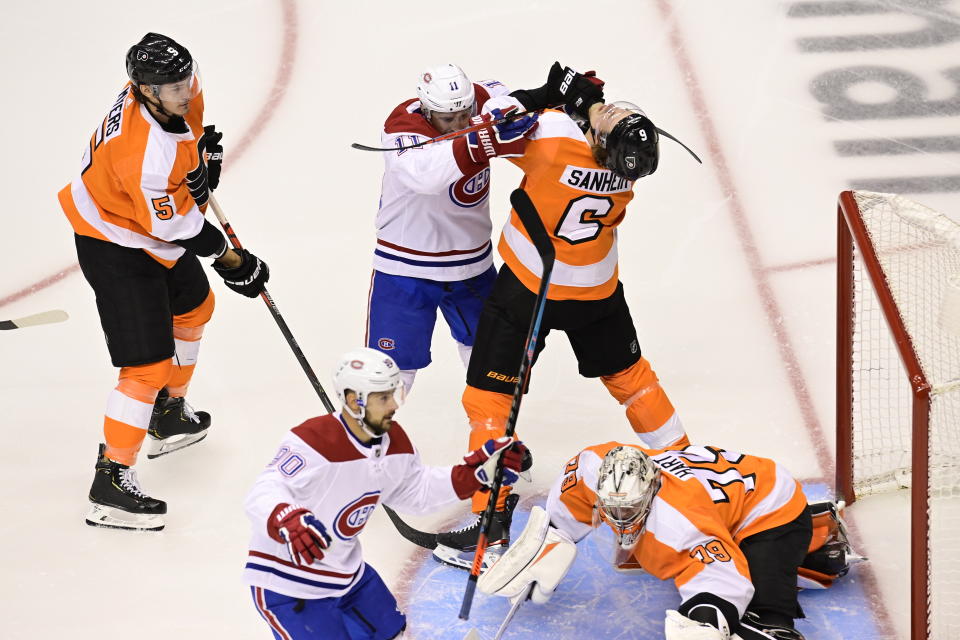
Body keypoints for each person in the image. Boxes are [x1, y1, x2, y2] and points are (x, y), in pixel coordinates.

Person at [433, 71, 693, 566]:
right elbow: (598, 135)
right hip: (596, 289)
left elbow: (484, 128)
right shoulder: (626, 166)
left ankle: (489, 527)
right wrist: (588, 103)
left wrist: (545, 96)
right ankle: (690, 469)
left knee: (490, 400)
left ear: (597, 140)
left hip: (531, 287)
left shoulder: (553, 136)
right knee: (632, 381)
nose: (618, 111)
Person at [60, 33, 270, 531]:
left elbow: (184, 148)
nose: (185, 90)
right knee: (145, 367)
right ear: (145, 90)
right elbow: (173, 225)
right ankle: (111, 482)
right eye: (171, 86)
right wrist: (231, 259)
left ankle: (168, 413)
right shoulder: (145, 155)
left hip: (147, 227)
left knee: (196, 309)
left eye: (186, 79)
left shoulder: (172, 96)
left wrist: (201, 163)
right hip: (115, 242)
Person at [243, 347, 531, 640]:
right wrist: (286, 518)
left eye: (395, 393)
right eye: (384, 397)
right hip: (291, 587)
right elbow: (266, 488)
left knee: (394, 633)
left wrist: (472, 477)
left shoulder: (395, 443)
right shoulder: (315, 440)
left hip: (349, 575)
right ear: (355, 400)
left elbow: (417, 492)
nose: (394, 404)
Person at [367, 63, 591, 394]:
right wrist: (481, 139)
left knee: (494, 365)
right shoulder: (402, 126)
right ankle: (362, 443)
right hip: (405, 269)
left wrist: (568, 102)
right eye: (448, 119)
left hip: (472, 267)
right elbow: (425, 175)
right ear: (427, 110)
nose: (458, 123)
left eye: (465, 113)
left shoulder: (481, 99)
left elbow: (515, 109)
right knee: (388, 379)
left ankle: (493, 440)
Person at [478, 442, 854, 640]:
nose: (622, 520)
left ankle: (817, 540)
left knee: (762, 619)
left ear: (653, 489)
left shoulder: (679, 522)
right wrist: (551, 542)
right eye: (614, 510)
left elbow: (724, 578)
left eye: (631, 510)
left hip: (770, 504)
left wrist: (706, 620)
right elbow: (566, 509)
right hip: (722, 493)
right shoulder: (589, 469)